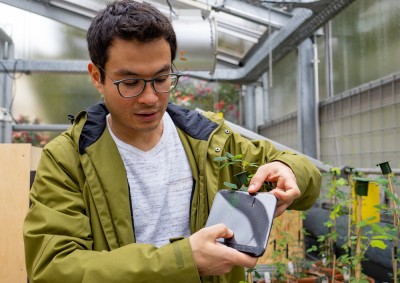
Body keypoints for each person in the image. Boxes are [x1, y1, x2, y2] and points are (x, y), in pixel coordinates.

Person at [23, 0, 321, 282]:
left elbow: (306, 174)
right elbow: (53, 268)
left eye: (162, 78)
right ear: (97, 77)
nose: (150, 98)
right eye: (130, 82)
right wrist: (183, 260)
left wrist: (290, 171)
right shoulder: (68, 159)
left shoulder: (209, 140)